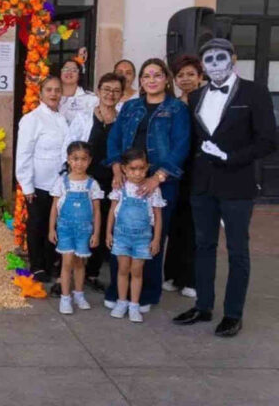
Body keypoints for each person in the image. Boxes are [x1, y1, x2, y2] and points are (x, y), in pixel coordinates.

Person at [173, 38, 277, 337]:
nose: (215, 64)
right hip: (202, 185)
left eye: (221, 58)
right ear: (203, 66)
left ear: (233, 58)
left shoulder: (254, 92)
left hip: (237, 183)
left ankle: (233, 313)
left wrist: (231, 157)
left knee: (237, 250)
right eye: (209, 59)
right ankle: (203, 306)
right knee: (203, 247)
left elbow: (268, 140)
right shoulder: (196, 97)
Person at [104, 58, 190, 311]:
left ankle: (147, 293)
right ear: (140, 82)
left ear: (166, 79)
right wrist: (116, 168)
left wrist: (158, 177)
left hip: (161, 182)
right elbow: (115, 138)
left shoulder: (176, 109)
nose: (151, 80)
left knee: (152, 237)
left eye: (157, 75)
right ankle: (118, 291)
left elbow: (181, 145)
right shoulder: (130, 107)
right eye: (146, 76)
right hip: (127, 179)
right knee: (120, 232)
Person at [62, 72, 125, 291]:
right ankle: (67, 274)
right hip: (85, 180)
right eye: (106, 89)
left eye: (116, 90)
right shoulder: (84, 117)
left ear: (121, 94)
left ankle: (92, 272)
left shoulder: (122, 121)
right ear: (98, 91)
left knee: (103, 223)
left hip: (112, 182)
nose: (111, 94)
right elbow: (69, 146)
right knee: (77, 223)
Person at [15, 76, 69, 283]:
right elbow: (24, 154)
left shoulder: (62, 118)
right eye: (49, 90)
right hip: (39, 183)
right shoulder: (32, 119)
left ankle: (51, 263)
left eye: (57, 90)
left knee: (55, 225)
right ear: (40, 93)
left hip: (60, 184)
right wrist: (27, 185)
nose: (54, 94)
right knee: (38, 224)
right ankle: (37, 266)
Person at [106, 148, 165, 323]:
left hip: (142, 239)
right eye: (133, 169)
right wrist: (108, 233)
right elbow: (112, 211)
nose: (137, 173)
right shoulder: (120, 187)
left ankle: (134, 304)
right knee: (123, 269)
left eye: (141, 168)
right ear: (124, 169)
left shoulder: (153, 189)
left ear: (147, 168)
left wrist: (156, 239)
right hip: (121, 237)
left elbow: (158, 216)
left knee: (137, 271)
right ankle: (121, 301)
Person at [163, 55, 204, 298]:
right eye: (181, 75)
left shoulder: (208, 103)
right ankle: (172, 275)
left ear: (200, 76)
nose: (185, 79)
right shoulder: (174, 105)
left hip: (201, 172)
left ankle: (192, 279)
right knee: (175, 225)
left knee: (195, 227)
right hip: (176, 171)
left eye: (191, 74)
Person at [48, 141, 103, 314]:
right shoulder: (62, 182)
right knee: (67, 262)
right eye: (75, 159)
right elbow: (54, 207)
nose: (79, 163)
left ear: (90, 161)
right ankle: (65, 298)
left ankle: (79, 294)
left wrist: (96, 233)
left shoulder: (92, 184)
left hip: (84, 230)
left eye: (83, 159)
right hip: (65, 229)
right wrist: (51, 229)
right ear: (68, 160)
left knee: (80, 263)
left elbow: (96, 211)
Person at [58, 59, 98, 124]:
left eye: (74, 70)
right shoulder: (52, 96)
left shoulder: (90, 99)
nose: (69, 72)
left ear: (79, 75)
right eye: (65, 69)